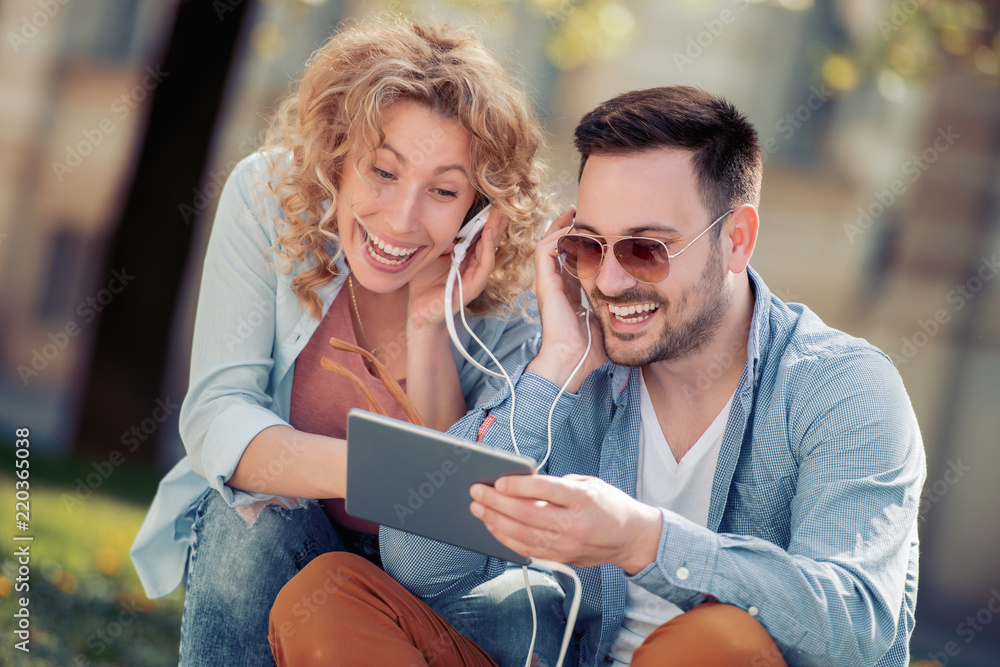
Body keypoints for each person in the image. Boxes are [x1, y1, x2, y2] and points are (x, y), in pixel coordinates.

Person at [269, 86, 926, 666]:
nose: (610, 281)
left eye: (645, 249)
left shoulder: (842, 387)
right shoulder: (577, 364)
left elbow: (859, 630)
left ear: (737, 240)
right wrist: (555, 367)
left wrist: (645, 540)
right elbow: (422, 566)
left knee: (713, 641)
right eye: (588, 246)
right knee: (331, 596)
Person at [129, 18, 563, 667]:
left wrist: (430, 326)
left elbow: (452, 532)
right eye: (382, 170)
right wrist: (381, 473)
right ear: (338, 152)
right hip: (279, 535)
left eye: (443, 190)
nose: (401, 217)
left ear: (480, 206)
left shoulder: (506, 300)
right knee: (247, 514)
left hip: (421, 588)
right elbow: (219, 415)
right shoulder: (269, 200)